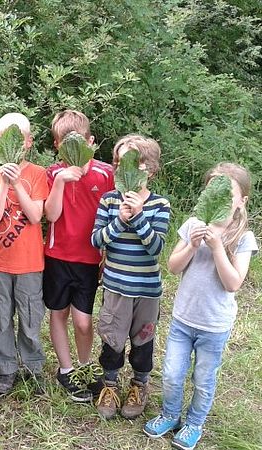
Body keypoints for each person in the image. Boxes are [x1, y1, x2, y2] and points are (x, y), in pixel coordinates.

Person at [143, 163, 258, 450]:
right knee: (171, 373)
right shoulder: (194, 224)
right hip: (183, 319)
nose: (219, 200)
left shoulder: (242, 238)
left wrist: (218, 247)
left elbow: (233, 283)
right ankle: (170, 414)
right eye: (212, 192)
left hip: (214, 326)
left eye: (227, 194)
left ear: (241, 201)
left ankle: (194, 422)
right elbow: (172, 266)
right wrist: (193, 245)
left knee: (204, 379)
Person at [91, 134, 170, 419]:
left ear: (148, 169)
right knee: (112, 339)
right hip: (115, 286)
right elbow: (97, 241)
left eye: (129, 162)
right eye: (116, 162)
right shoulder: (109, 200)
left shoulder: (160, 205)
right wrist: (120, 220)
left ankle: (139, 385)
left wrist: (137, 217)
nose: (119, 168)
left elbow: (156, 248)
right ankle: (110, 385)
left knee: (143, 341)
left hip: (147, 290)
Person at [44, 110, 114, 402]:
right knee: (58, 312)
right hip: (57, 256)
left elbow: (112, 217)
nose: (71, 150)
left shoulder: (105, 173)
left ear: (91, 142)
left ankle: (85, 367)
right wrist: (61, 181)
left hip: (89, 258)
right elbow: (51, 215)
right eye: (63, 144)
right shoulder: (51, 173)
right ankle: (66, 369)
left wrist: (106, 257)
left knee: (84, 321)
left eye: (79, 143)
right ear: (57, 145)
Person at [0, 112, 48, 395]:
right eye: (4, 138)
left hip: (30, 262)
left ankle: (33, 367)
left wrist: (18, 183)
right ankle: (6, 367)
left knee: (31, 316)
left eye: (17, 139)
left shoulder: (38, 174)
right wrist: (5, 184)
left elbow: (35, 216)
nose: (11, 144)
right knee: (2, 315)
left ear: (28, 142)